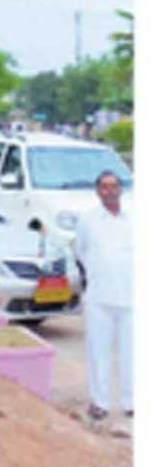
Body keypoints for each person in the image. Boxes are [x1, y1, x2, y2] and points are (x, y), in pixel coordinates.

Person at [76, 170, 133, 423]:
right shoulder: (88, 220)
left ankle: (132, 402)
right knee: (98, 353)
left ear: (121, 189)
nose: (109, 191)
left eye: (114, 186)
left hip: (133, 298)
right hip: (99, 297)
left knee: (134, 354)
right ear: (97, 191)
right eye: (104, 187)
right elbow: (81, 252)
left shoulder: (136, 217)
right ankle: (100, 403)